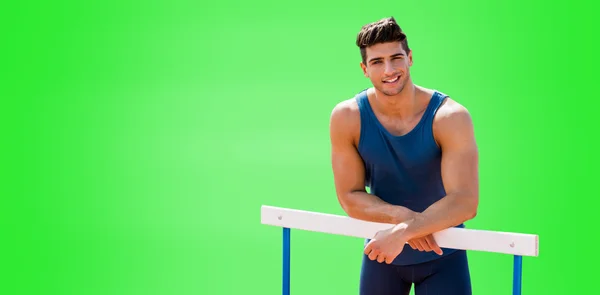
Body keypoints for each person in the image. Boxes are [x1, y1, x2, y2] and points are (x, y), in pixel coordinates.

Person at [329, 16, 479, 295]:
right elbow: (349, 195)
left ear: (410, 58)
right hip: (382, 254)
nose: (389, 70)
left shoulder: (449, 117)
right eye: (377, 62)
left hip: (444, 255)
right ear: (364, 69)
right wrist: (404, 221)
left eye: (396, 57)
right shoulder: (347, 117)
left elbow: (465, 202)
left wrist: (403, 231)